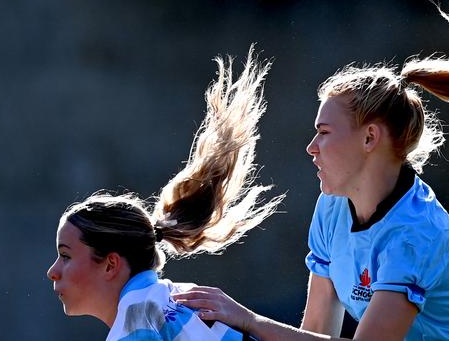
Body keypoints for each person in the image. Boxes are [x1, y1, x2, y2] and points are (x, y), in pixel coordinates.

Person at [172, 0, 449, 340]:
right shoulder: (332, 208)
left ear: (370, 137)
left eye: (323, 132)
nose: (311, 148)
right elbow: (317, 329)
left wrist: (246, 320)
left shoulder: (414, 234)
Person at [46, 46, 284, 341]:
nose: (53, 272)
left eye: (65, 256)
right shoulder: (169, 298)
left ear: (110, 264)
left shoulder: (138, 318)